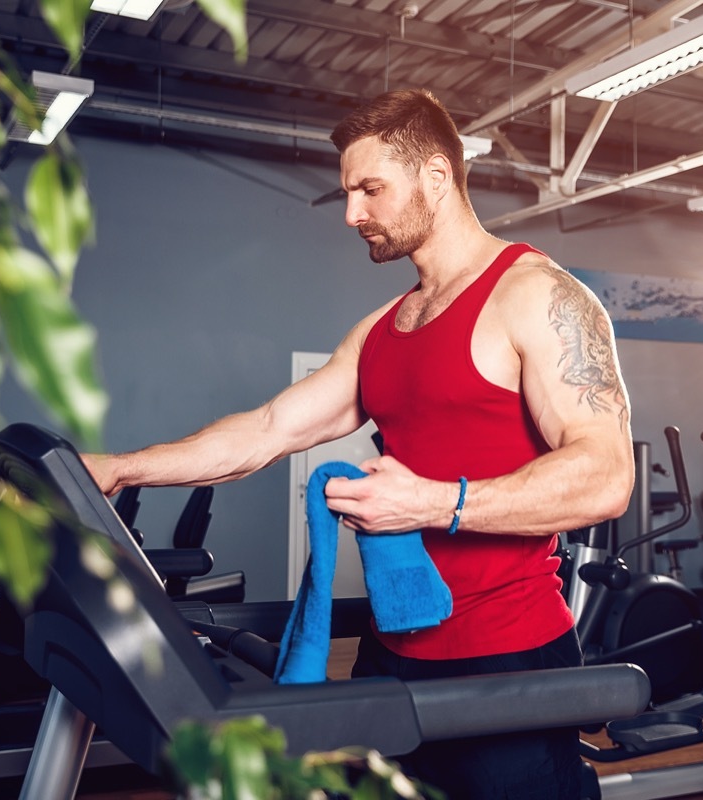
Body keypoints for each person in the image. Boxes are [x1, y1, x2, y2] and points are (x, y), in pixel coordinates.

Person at [83, 89, 635, 799]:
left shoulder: (537, 296)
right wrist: (120, 468)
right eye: (348, 193)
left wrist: (432, 503)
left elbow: (606, 476)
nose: (352, 213)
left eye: (370, 189)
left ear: (437, 176)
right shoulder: (381, 330)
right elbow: (267, 429)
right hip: (391, 652)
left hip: (508, 660)